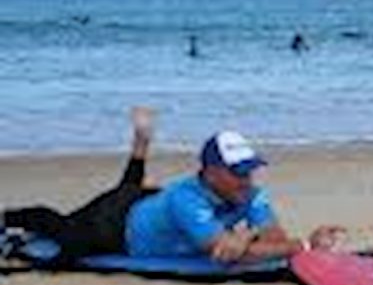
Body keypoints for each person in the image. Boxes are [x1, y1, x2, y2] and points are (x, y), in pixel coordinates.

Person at [2, 108, 341, 265]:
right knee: (59, 227)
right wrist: (307, 245)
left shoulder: (248, 191)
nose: (247, 179)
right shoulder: (186, 198)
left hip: (150, 203)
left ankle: (141, 142)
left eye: (249, 169)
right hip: (114, 226)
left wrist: (247, 237)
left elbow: (272, 242)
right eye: (238, 171)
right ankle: (6, 218)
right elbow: (225, 254)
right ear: (210, 172)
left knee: (132, 187)